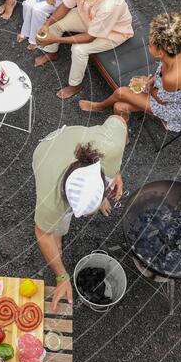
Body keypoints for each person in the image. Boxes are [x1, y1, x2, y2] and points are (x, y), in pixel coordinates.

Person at [33, 117, 127, 309]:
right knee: (55, 228)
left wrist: (117, 172)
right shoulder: (51, 200)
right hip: (48, 152)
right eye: (82, 213)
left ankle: (99, 201)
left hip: (73, 140)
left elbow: (118, 120)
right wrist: (62, 277)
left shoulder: (109, 147)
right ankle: (59, 237)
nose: (84, 217)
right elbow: (41, 234)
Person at [80, 12, 181, 129]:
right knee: (118, 106)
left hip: (172, 108)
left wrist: (146, 85)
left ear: (161, 52)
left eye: (150, 44)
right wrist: (149, 81)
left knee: (121, 93)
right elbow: (161, 72)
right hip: (167, 93)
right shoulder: (178, 51)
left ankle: (100, 107)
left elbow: (161, 100)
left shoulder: (172, 78)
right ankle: (117, 127)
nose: (148, 45)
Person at [35, 0, 134, 99]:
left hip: (113, 32)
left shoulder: (110, 6)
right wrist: (47, 24)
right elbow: (64, 7)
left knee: (79, 50)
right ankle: (52, 53)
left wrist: (55, 39)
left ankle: (75, 85)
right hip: (88, 18)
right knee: (55, 24)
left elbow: (90, 37)